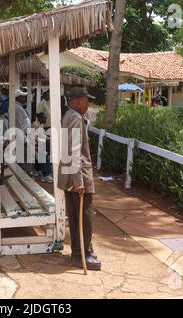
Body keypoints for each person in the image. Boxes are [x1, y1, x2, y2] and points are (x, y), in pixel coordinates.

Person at [58, 86, 101, 271]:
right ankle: (84, 253)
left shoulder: (69, 116)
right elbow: (75, 151)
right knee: (85, 217)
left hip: (68, 173)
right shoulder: (75, 118)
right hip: (77, 174)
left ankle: (78, 253)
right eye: (86, 101)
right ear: (76, 101)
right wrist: (79, 182)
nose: (88, 104)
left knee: (76, 216)